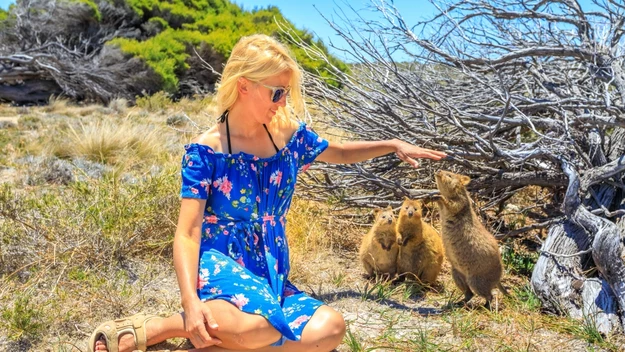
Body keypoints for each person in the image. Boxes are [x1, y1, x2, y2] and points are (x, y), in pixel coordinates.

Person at [88, 33, 447, 352]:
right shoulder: (206, 151)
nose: (283, 101)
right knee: (260, 326)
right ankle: (163, 326)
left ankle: (220, 342)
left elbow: (337, 151)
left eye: (286, 92)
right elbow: (187, 232)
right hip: (221, 260)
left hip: (269, 265)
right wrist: (189, 300)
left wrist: (392, 144)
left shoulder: (286, 134)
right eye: (276, 92)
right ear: (244, 86)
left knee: (330, 330)